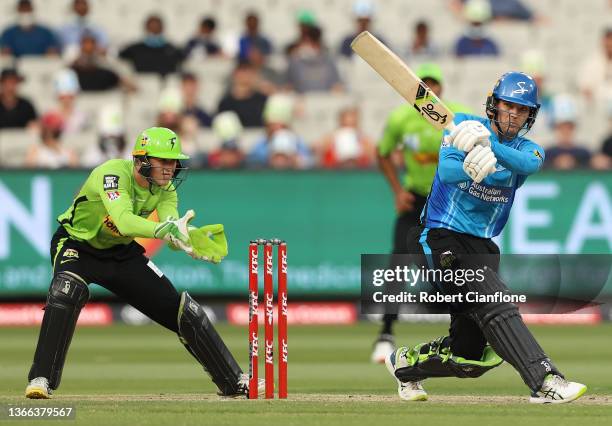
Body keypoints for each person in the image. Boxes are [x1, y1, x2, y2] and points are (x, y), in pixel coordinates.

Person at [384, 72, 587, 404]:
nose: (513, 115)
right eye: (508, 105)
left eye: (521, 110)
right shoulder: (462, 124)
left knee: (471, 358)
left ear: (530, 116)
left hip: (483, 247)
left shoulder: (526, 149)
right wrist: (470, 164)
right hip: (438, 239)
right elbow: (447, 171)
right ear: (494, 104)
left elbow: (530, 164)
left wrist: (489, 149)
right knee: (496, 301)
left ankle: (406, 364)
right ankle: (545, 380)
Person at [25, 127, 262, 399]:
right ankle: (41, 378)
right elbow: (125, 221)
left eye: (173, 162)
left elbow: (170, 224)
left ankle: (234, 381)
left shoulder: (166, 189)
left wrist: (185, 239)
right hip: (77, 246)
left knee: (184, 311)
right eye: (164, 161)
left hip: (122, 254)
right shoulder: (112, 174)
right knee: (66, 291)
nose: (170, 169)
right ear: (141, 160)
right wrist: (165, 230)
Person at [371, 64, 470, 363]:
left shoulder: (457, 116)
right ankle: (386, 334)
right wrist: (397, 190)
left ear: (441, 89)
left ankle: (467, 332)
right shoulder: (401, 119)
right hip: (415, 198)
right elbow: (382, 152)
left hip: (446, 201)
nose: (430, 92)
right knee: (398, 261)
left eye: (434, 85)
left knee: (458, 262)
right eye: (423, 86)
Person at [119, 15, 184, 76]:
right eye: (151, 28)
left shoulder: (172, 50)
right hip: (142, 83)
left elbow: (181, 58)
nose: (153, 32)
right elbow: (120, 56)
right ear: (146, 29)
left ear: (162, 29)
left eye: (157, 28)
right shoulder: (135, 49)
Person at [286, 26, 343, 93]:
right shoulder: (294, 62)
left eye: (311, 42)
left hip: (325, 100)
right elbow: (288, 87)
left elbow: (337, 86)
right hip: (302, 100)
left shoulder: (329, 61)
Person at [544, 95, 591, 170]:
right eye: (561, 127)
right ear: (555, 128)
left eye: (569, 127)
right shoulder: (547, 154)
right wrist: (554, 164)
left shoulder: (585, 153)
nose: (565, 131)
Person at [217, 61, 268, 128]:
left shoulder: (262, 100)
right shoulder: (226, 103)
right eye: (242, 72)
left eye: (248, 72)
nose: (245, 76)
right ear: (235, 74)